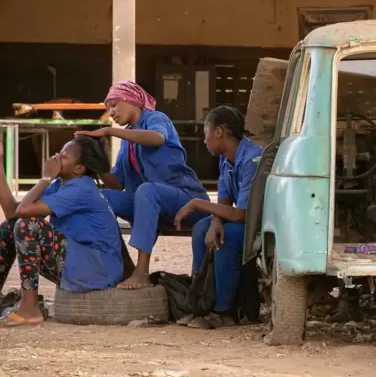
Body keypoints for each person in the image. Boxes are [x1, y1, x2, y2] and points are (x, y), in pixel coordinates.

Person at [76, 81, 209, 289]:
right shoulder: (128, 140)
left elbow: (157, 139)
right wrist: (97, 164)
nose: (111, 112)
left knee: (146, 190)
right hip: (150, 206)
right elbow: (117, 183)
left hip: (187, 202)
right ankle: (123, 266)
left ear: (132, 100)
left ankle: (142, 273)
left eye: (114, 105)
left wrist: (111, 132)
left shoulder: (156, 119)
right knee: (98, 198)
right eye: (108, 108)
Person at [0, 137, 123, 326]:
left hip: (98, 269)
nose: (56, 157)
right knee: (10, 227)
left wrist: (46, 177)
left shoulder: (81, 189)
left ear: (79, 169)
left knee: (28, 225)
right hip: (79, 259)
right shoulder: (61, 185)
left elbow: (24, 212)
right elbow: (13, 212)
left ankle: (29, 308)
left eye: (64, 156)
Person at [173, 105, 263, 329]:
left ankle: (224, 311)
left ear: (219, 132)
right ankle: (201, 304)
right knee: (202, 229)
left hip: (261, 225)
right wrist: (214, 221)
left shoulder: (251, 159)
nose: (204, 141)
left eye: (206, 134)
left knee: (228, 236)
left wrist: (196, 204)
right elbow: (223, 204)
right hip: (242, 220)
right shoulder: (225, 160)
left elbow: (241, 215)